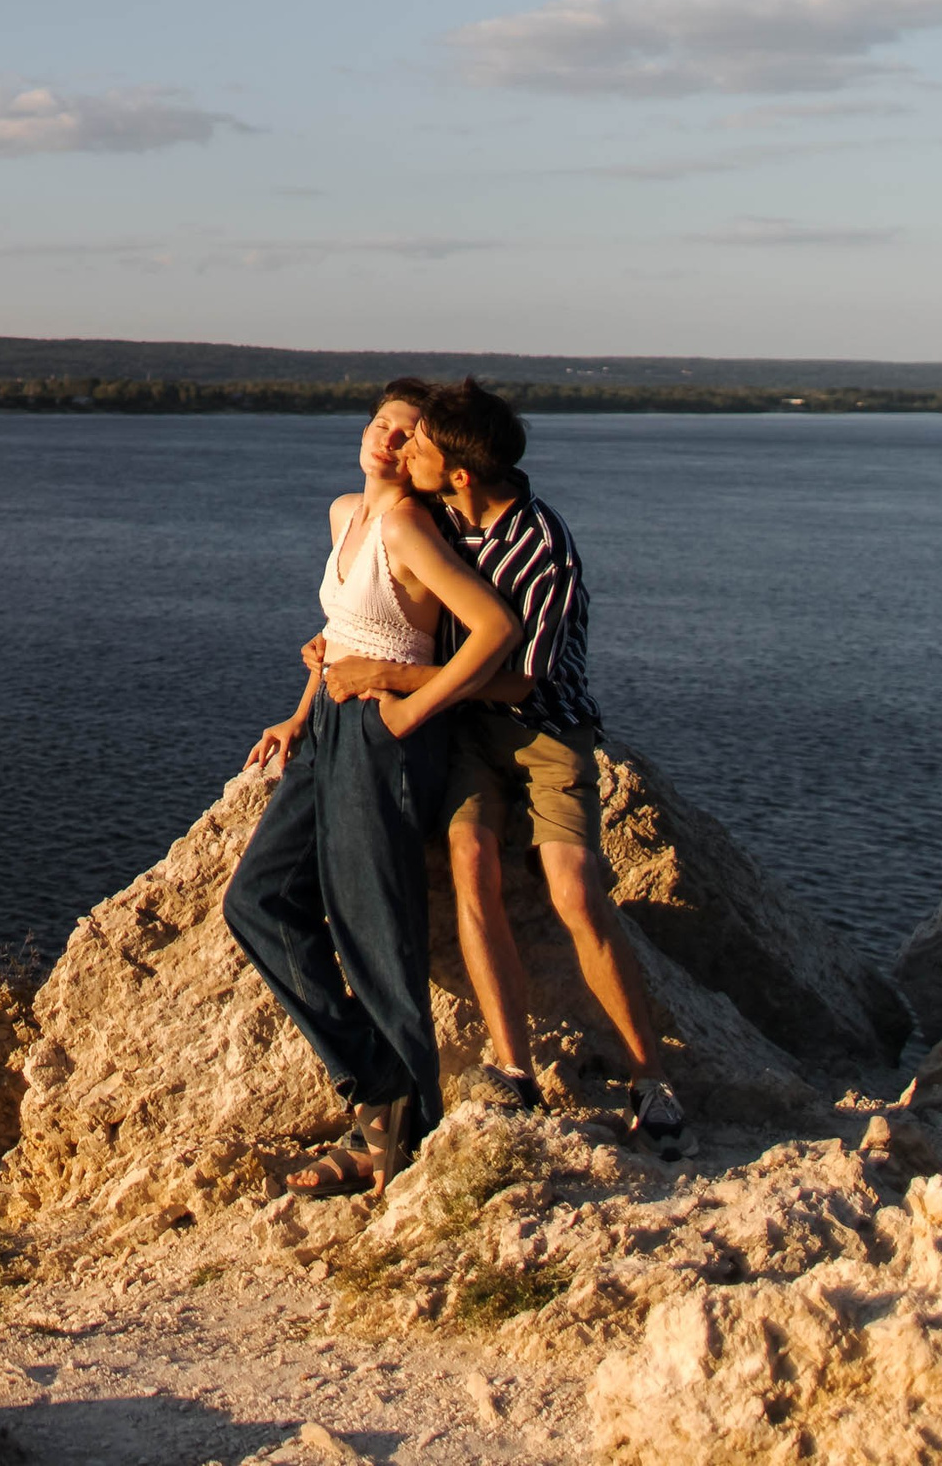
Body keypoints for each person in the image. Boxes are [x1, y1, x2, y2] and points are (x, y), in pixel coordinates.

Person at [319, 378, 695, 1159]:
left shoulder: (541, 546)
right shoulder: (438, 518)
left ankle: (650, 1077)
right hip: (465, 731)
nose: (405, 451)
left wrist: (393, 680)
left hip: (543, 731)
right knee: (470, 862)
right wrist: (337, 649)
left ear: (459, 473)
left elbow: (520, 680)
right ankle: (515, 1069)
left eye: (420, 445)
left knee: (574, 890)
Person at [224, 379, 523, 1198]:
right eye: (382, 423)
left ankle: (402, 1126)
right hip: (330, 725)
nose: (387, 439)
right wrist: (299, 714)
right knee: (257, 899)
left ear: (425, 453)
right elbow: (341, 632)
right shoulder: (344, 514)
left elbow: (497, 629)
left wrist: (411, 709)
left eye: (407, 433)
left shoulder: (407, 527)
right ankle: (380, 1084)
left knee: (375, 930)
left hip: (382, 734)